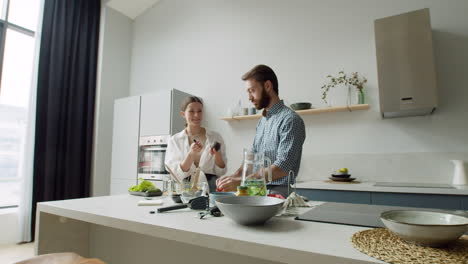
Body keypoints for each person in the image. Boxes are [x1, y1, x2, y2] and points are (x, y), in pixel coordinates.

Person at [216, 65, 306, 197]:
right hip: (257, 190)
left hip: (279, 192)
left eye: (252, 90)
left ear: (268, 86)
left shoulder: (290, 120)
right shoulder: (262, 122)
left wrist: (243, 182)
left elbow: (282, 167)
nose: (249, 97)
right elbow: (251, 159)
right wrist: (232, 177)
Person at [165, 96, 227, 192]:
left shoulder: (215, 137)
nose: (196, 115)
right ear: (183, 114)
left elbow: (221, 171)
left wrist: (217, 154)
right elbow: (175, 174)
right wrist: (190, 155)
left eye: (199, 111)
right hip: (184, 192)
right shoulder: (175, 140)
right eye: (191, 111)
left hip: (211, 190)